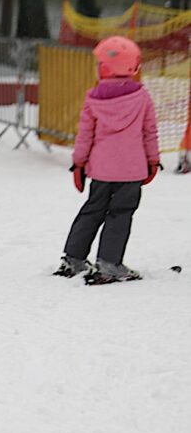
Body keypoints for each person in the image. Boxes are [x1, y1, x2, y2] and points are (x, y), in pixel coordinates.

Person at [55, 36, 159, 284]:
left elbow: (85, 135)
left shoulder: (94, 98)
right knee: (120, 214)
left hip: (101, 170)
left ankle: (74, 258)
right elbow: (149, 132)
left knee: (92, 210)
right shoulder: (142, 97)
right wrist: (153, 161)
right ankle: (109, 263)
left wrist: (79, 163)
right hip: (131, 171)